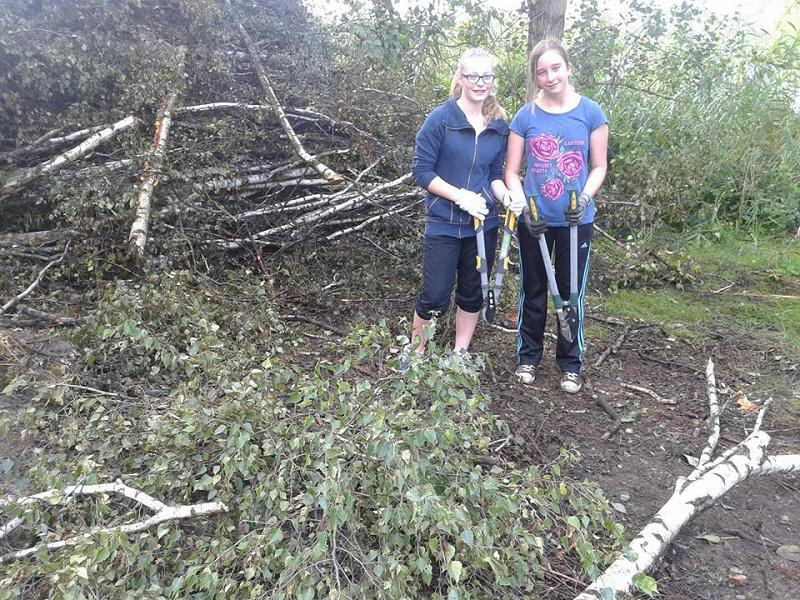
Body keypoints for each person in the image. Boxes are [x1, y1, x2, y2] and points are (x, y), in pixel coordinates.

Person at [400, 47, 525, 371]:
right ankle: (416, 353)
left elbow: (496, 176)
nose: (479, 82)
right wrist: (459, 196)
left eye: (486, 76)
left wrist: (506, 196)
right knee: (435, 295)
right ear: (460, 78)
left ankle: (459, 354)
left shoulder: (499, 125)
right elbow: (422, 171)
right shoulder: (441, 119)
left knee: (472, 292)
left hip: (482, 225)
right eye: (472, 75)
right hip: (444, 221)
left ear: (492, 81)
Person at [504, 38, 609, 393]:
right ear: (535, 78)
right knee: (533, 289)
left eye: (555, 68)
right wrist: (521, 206)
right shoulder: (525, 116)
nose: (549, 77)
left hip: (576, 221)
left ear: (568, 67)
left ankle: (570, 363)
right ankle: (528, 357)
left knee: (570, 291)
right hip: (535, 220)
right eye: (541, 72)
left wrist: (586, 198)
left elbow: (599, 167)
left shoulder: (591, 113)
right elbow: (511, 173)